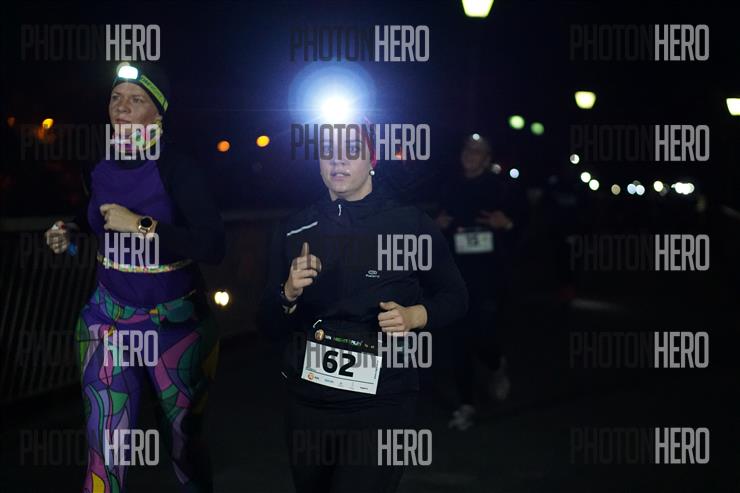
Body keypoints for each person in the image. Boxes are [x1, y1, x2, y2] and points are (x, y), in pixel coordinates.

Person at [258, 121, 468, 492]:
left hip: (382, 402)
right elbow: (266, 324)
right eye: (328, 151)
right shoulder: (293, 229)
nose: (338, 160)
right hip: (309, 403)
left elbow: (456, 297)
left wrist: (414, 316)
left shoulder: (410, 224)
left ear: (372, 159)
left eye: (352, 150)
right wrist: (287, 294)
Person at [45, 62, 224, 493]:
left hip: (174, 324)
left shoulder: (179, 168)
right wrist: (68, 229)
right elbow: (96, 215)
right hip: (108, 319)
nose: (121, 108)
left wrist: (142, 226)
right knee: (104, 446)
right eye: (116, 98)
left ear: (158, 113)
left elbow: (214, 246)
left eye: (136, 100)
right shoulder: (99, 164)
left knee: (183, 442)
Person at [436, 134, 526, 431]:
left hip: (490, 276)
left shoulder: (502, 189)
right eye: (467, 148)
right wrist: (438, 226)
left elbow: (524, 229)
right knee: (458, 339)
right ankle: (466, 404)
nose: (470, 154)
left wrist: (507, 224)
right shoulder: (449, 185)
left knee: (481, 334)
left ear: (487, 159)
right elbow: (437, 224)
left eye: (478, 151)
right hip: (456, 275)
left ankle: (496, 363)